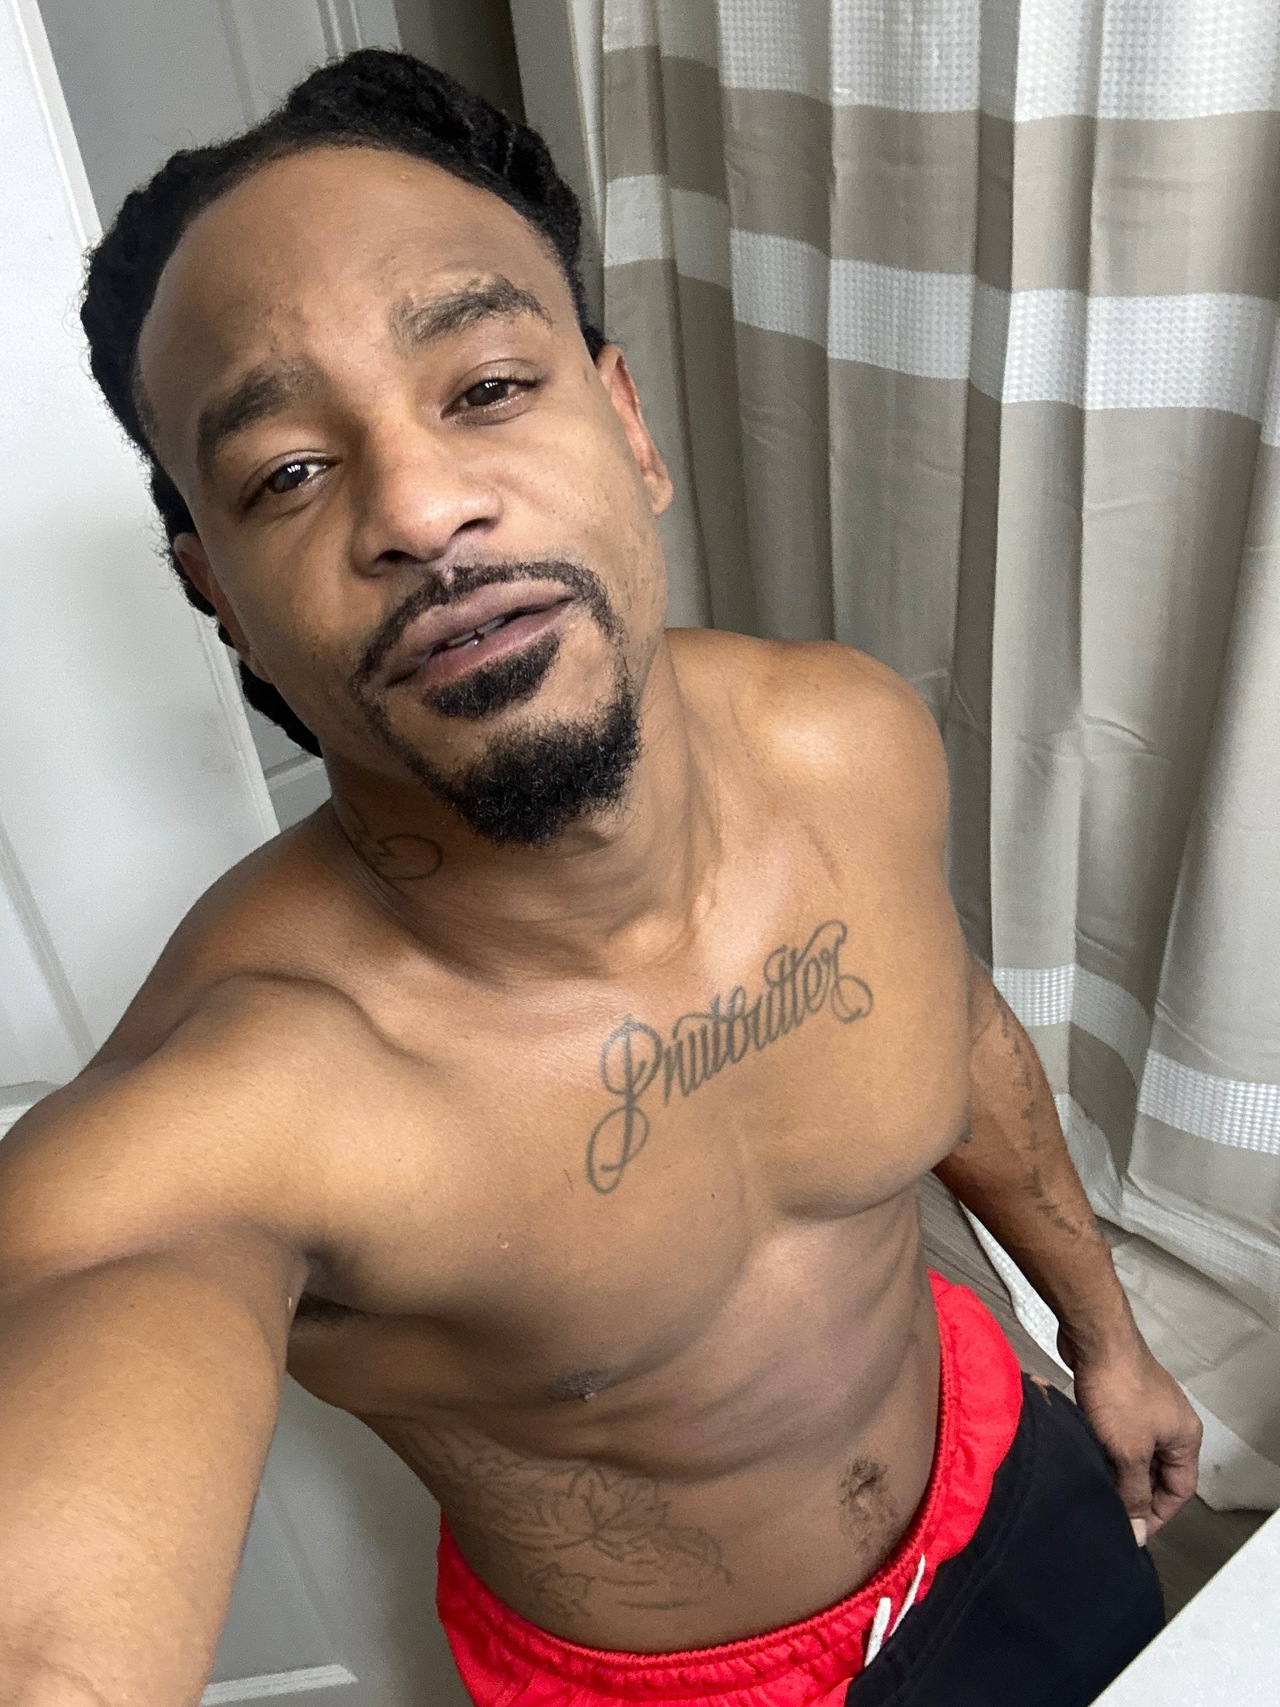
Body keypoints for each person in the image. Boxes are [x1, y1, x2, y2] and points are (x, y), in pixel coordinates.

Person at [0, 49, 1198, 1707]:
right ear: (223, 600)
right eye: (288, 472)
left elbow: (960, 1034)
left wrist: (1107, 1339)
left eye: (487, 385)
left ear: (627, 424)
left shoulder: (847, 745)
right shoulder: (225, 1116)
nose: (423, 507)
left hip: (1008, 1477)